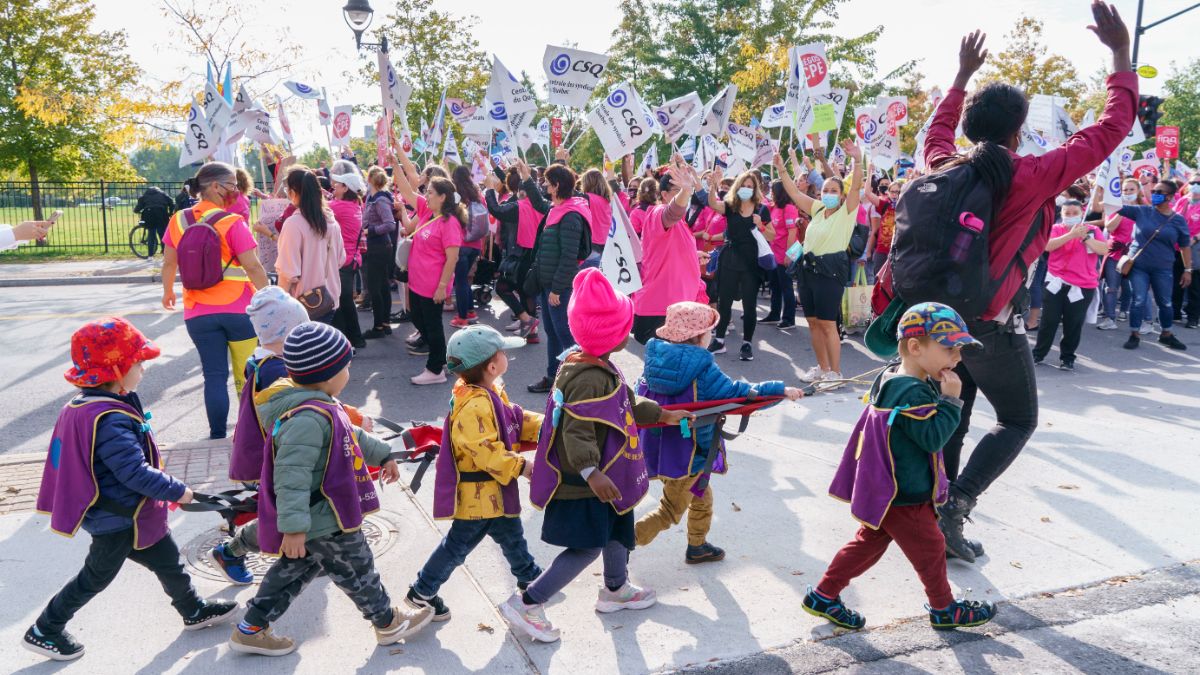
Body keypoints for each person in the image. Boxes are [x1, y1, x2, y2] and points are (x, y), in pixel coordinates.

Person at [878, 5, 1137, 563]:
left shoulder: (942, 165)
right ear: (1020, 131)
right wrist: (1119, 55)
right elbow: (1112, 128)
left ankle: (933, 508)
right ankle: (955, 505)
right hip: (987, 326)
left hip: (934, 320)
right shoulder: (1033, 175)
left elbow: (938, 132)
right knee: (1017, 419)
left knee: (958, 412)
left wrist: (961, 77)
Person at [26, 318, 237, 661]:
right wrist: (178, 491)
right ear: (117, 368)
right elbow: (134, 472)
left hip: (131, 514)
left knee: (168, 561)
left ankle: (193, 609)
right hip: (119, 519)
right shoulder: (110, 418)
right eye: (138, 363)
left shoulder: (88, 405)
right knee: (95, 577)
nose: (143, 369)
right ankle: (45, 629)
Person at [501, 268, 691, 643]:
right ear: (612, 334)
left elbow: (626, 405)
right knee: (587, 545)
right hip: (587, 481)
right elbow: (577, 429)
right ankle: (528, 601)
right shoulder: (590, 376)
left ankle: (616, 589)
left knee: (618, 528)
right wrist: (592, 472)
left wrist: (664, 415)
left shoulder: (593, 363)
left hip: (608, 473)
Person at [229, 322, 434, 656]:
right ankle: (387, 622)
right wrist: (293, 529)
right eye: (346, 367)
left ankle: (251, 627)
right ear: (327, 374)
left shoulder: (322, 403)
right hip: (323, 517)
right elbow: (290, 478)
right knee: (357, 566)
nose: (349, 373)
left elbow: (350, 433)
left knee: (293, 573)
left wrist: (383, 454)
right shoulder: (306, 419)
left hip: (320, 515)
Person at [805, 302, 997, 632]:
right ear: (914, 346)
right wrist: (951, 400)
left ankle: (824, 594)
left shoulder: (893, 376)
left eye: (959, 350)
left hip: (888, 488)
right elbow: (933, 438)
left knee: (866, 544)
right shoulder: (912, 391)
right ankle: (944, 608)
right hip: (905, 494)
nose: (957, 358)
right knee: (932, 548)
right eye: (950, 349)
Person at [635, 302, 802, 562]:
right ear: (699, 335)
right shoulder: (701, 367)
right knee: (670, 509)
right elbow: (738, 393)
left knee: (701, 494)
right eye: (710, 331)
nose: (712, 335)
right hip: (689, 450)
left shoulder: (656, 358)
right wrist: (780, 389)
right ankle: (623, 542)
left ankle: (697, 546)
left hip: (661, 446)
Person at [405, 325, 543, 621]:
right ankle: (422, 591)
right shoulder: (475, 405)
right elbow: (485, 450)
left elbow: (514, 418)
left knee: (511, 535)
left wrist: (548, 426)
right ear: (493, 366)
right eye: (503, 352)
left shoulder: (486, 391)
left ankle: (530, 577)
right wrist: (523, 466)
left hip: (492, 493)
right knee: (458, 546)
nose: (507, 355)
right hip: (479, 496)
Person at [208, 287, 311, 584]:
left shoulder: (263, 360)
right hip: (277, 456)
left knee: (286, 508)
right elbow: (300, 406)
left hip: (267, 451)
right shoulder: (277, 369)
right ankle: (230, 552)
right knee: (281, 513)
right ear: (286, 335)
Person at [161, 162, 270, 440]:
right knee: (247, 377)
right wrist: (269, 295)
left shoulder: (178, 221)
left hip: (198, 312)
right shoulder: (232, 222)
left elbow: (169, 263)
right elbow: (253, 267)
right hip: (239, 310)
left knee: (213, 376)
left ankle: (217, 434)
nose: (236, 191)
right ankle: (253, 434)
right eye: (232, 185)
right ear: (214, 187)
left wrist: (168, 292)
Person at [773, 141, 865, 381]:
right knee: (813, 323)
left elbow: (855, 187)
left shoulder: (847, 212)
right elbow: (794, 192)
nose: (829, 194)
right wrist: (782, 169)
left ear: (842, 196)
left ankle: (835, 372)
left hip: (830, 271)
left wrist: (857, 160)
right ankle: (822, 368)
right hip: (808, 271)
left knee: (827, 324)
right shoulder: (816, 209)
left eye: (834, 191)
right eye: (825, 190)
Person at [392, 172, 466, 385]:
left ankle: (435, 370)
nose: (426, 195)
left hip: (433, 285)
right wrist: (395, 161)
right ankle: (442, 358)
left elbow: (453, 257)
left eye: (430, 192)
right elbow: (407, 191)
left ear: (443, 197)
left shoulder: (449, 222)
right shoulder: (427, 211)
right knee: (418, 319)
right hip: (417, 282)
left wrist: (442, 287)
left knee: (433, 326)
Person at [525, 163, 592, 394]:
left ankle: (578, 384)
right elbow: (537, 203)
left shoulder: (571, 215)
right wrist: (526, 178)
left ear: (556, 186)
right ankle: (554, 377)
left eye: (546, 182)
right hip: (549, 285)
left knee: (566, 336)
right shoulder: (557, 209)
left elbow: (569, 258)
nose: (543, 185)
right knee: (553, 333)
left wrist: (556, 288)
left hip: (558, 288)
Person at [632, 163, 708, 344]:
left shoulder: (680, 223)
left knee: (671, 367)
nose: (684, 194)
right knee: (667, 367)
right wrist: (686, 190)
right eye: (677, 190)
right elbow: (672, 212)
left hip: (674, 305)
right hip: (662, 308)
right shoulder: (658, 212)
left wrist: (692, 255)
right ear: (664, 195)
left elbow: (668, 249)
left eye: (683, 189)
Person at [705, 169, 776, 361]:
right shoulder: (731, 205)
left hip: (751, 263)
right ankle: (719, 340)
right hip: (729, 258)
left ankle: (747, 343)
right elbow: (712, 203)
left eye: (750, 187)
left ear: (755, 189)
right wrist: (713, 185)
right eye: (743, 186)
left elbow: (772, 235)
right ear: (738, 187)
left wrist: (761, 225)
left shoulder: (762, 209)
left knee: (749, 305)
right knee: (724, 302)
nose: (746, 189)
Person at [1032, 200, 1109, 370]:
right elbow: (1046, 246)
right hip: (1056, 282)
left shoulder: (1093, 230)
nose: (1071, 216)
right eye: (1068, 213)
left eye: (1075, 213)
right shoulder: (1056, 229)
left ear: (1082, 213)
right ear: (1062, 214)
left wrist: (1086, 237)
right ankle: (1038, 353)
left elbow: (1103, 250)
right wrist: (1070, 235)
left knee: (1073, 323)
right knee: (1049, 321)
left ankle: (1067, 357)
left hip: (1082, 286)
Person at [1120, 179, 1193, 350]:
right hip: (1138, 266)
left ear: (1170, 197)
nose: (1155, 195)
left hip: (1163, 268)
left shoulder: (1178, 220)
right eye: (1154, 192)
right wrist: (1103, 188)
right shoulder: (1142, 211)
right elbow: (1112, 206)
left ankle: (1166, 334)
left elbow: (1184, 246)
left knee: (1165, 303)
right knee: (1138, 300)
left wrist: (1188, 269)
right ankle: (1134, 334)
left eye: (1159, 193)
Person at [276, 167, 344, 325]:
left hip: (304, 303)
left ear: (293, 192)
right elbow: (340, 260)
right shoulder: (331, 222)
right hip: (330, 298)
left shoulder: (294, 224)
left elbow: (288, 273)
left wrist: (278, 304)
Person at [484, 163, 543, 342]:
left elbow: (496, 210)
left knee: (502, 287)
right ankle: (532, 333)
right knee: (526, 292)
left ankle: (526, 320)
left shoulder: (521, 206)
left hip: (522, 254)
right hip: (536, 254)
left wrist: (489, 189)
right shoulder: (541, 205)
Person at [328, 167, 367, 347]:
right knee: (345, 301)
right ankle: (355, 338)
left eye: (338, 184)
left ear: (345, 188)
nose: (334, 186)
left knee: (340, 302)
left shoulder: (339, 207)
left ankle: (345, 342)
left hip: (343, 260)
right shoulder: (354, 205)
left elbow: (316, 209)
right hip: (351, 259)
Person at [1097, 178, 1142, 329]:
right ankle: (1110, 318)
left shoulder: (1144, 209)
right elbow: (1109, 227)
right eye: (1125, 190)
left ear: (1138, 191)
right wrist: (1123, 210)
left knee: (1132, 286)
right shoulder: (1116, 208)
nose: (1128, 193)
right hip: (1115, 252)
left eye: (1131, 190)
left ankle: (1130, 313)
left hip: (1135, 254)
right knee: (1111, 286)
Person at [361, 167, 397, 339]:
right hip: (378, 246)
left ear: (369, 179)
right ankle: (385, 324)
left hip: (378, 246)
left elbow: (390, 224)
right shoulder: (373, 197)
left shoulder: (380, 199)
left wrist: (371, 231)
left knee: (376, 287)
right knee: (382, 286)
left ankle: (379, 326)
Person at [450, 165, 487, 329]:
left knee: (461, 281)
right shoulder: (478, 195)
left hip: (461, 243)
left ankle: (462, 317)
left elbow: (450, 217)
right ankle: (470, 311)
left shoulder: (457, 195)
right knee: (465, 280)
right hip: (476, 243)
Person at [763, 179, 800, 330]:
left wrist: (789, 255)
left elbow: (792, 232)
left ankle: (789, 318)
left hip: (785, 254)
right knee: (775, 286)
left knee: (786, 287)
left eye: (773, 190)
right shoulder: (773, 208)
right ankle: (774, 314)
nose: (771, 193)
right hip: (773, 253)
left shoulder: (789, 208)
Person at [1172, 172, 1200, 328]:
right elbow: (1173, 218)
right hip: (1178, 247)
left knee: (1194, 283)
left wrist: (1195, 238)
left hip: (1195, 248)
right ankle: (1175, 312)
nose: (1196, 185)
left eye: (1199, 183)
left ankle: (1193, 317)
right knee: (1176, 281)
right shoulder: (1183, 200)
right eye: (1193, 182)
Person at [132, 186, 175, 257]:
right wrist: (170, 213)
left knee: (151, 235)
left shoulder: (146, 195)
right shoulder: (163, 194)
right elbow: (172, 203)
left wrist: (136, 210)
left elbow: (138, 207)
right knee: (162, 235)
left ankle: (150, 256)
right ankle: (165, 254)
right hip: (161, 214)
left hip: (149, 215)